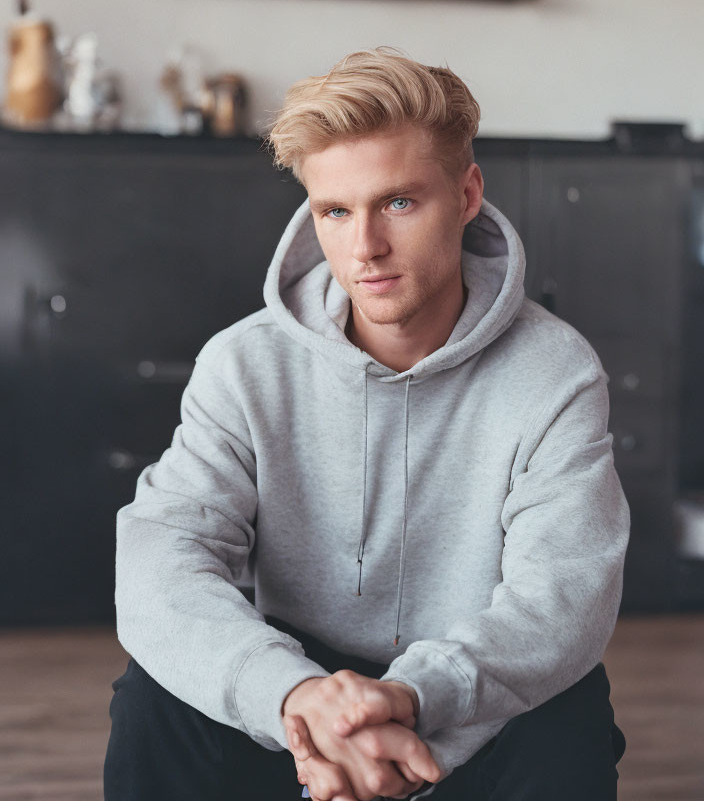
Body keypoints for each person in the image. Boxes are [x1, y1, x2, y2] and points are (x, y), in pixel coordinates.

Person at [104, 48, 630, 801]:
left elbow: (564, 596)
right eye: (336, 212)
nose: (366, 248)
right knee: (155, 701)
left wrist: (411, 697)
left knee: (569, 712)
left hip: (472, 696)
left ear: (467, 192)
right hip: (298, 696)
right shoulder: (243, 364)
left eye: (400, 203)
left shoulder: (555, 372)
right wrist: (297, 701)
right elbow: (163, 565)